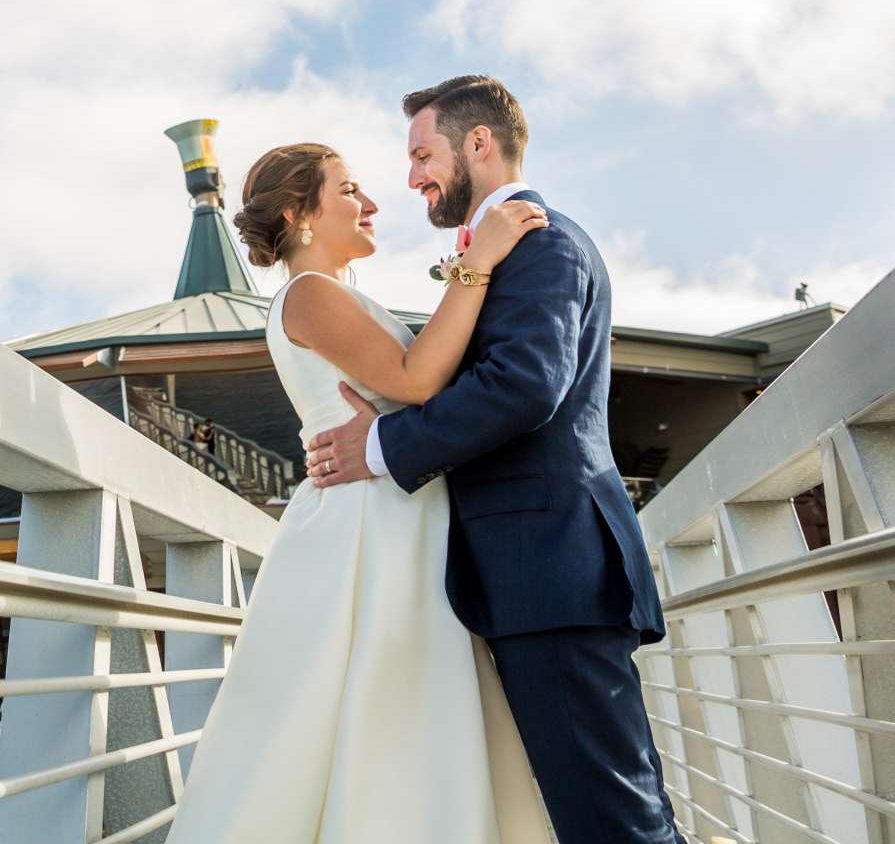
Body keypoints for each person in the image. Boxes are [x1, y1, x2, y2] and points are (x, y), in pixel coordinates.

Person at [305, 76, 681, 844]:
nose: (411, 178)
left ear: (478, 144)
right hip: (533, 576)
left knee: (616, 824)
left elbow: (523, 386)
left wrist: (378, 447)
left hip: (552, 572)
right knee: (599, 815)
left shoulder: (539, 243)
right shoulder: (506, 248)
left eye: (422, 155)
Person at [166, 132, 552, 842]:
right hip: (367, 527)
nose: (371, 203)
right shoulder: (308, 294)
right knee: (375, 703)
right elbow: (413, 381)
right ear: (297, 215)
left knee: (399, 706)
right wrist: (477, 264)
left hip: (393, 512)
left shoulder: (338, 295)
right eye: (349, 191)